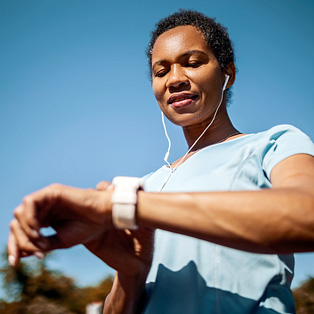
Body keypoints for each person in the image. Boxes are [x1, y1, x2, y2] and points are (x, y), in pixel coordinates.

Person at [7, 9, 314, 314]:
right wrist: (131, 273)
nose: (175, 79)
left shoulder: (274, 144)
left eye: (192, 63)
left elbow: (307, 214)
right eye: (161, 71)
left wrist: (126, 206)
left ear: (228, 73)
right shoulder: (147, 187)